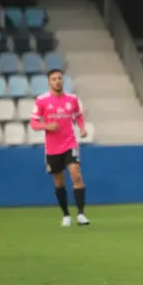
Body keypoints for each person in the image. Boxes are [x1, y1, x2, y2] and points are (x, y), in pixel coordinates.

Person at [29, 69, 90, 227]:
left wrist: (82, 129)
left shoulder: (72, 99)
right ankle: (66, 214)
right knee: (59, 182)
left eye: (60, 78)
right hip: (53, 148)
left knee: (76, 175)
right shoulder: (42, 100)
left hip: (70, 143)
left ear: (63, 81)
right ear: (49, 82)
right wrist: (46, 126)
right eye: (54, 79)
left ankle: (81, 214)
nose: (57, 81)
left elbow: (78, 115)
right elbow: (34, 122)